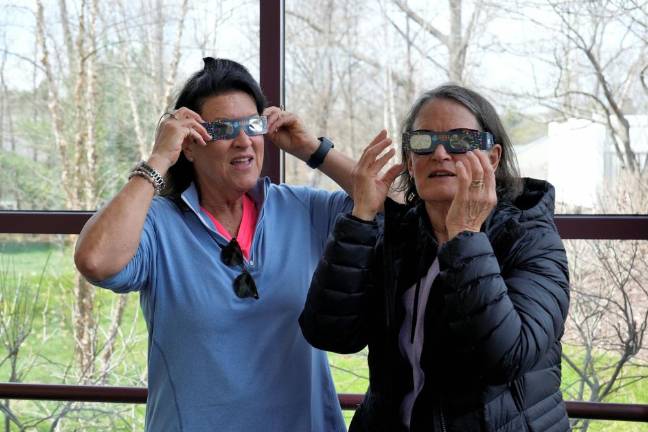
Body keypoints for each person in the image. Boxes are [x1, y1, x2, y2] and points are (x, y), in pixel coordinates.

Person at [74, 57, 378, 431]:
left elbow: (389, 201)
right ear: (189, 144)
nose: (243, 140)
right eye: (222, 129)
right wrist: (158, 159)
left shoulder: (303, 210)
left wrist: (312, 149)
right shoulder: (159, 223)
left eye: (252, 125)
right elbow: (95, 260)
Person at [300, 84, 571, 431]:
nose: (440, 153)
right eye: (423, 141)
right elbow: (330, 334)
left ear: (492, 157)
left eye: (460, 140)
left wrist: (465, 236)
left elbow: (507, 357)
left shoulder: (529, 237)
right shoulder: (399, 236)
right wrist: (362, 216)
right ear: (410, 162)